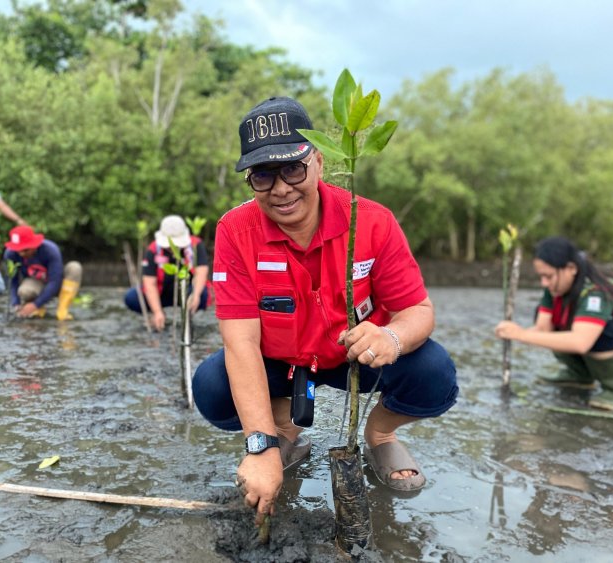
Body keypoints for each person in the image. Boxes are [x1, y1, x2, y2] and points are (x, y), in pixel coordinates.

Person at [191, 96, 458, 524]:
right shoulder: (235, 230)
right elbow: (240, 343)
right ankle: (284, 433)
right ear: (250, 180)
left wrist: (390, 336)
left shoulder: (370, 220)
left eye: (293, 169)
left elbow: (418, 311)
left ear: (317, 161)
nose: (281, 189)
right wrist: (259, 446)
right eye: (263, 175)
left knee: (433, 371)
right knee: (211, 384)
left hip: (355, 357)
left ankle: (380, 433)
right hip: (284, 362)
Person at [495, 236, 613, 410]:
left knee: (602, 330)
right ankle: (580, 375)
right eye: (541, 277)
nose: (544, 283)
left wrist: (520, 334)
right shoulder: (554, 289)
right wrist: (514, 334)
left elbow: (581, 342)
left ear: (571, 268)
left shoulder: (595, 293)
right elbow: (543, 329)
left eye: (548, 276)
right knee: (550, 316)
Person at [123, 215, 210, 331]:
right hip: (161, 292)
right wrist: (157, 311)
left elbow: (201, 271)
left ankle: (188, 317)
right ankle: (157, 317)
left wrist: (196, 295)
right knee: (131, 297)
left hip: (186, 291)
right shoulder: (153, 249)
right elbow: (149, 283)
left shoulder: (195, 245)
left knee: (204, 294)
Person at [3, 225, 82, 320]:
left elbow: (55, 281)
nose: (21, 254)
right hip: (36, 282)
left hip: (57, 281)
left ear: (34, 245)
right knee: (24, 291)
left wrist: (35, 304)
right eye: (18, 250)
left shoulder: (50, 250)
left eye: (25, 250)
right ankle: (37, 311)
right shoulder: (10, 254)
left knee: (74, 267)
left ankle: (62, 310)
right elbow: (12, 281)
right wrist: (15, 303)